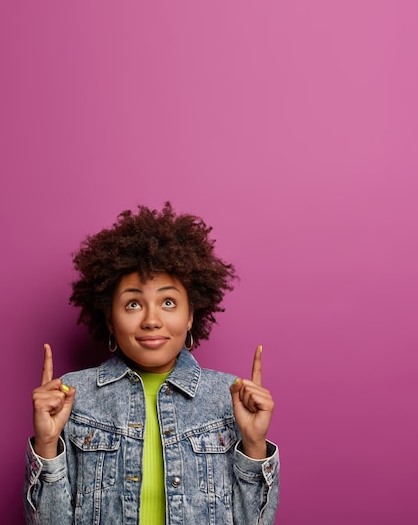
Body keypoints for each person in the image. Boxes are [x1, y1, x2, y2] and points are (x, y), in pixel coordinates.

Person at [23, 203, 280, 524]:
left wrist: (254, 445)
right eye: (133, 304)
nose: (151, 320)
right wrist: (46, 445)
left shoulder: (230, 397)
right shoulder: (72, 396)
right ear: (110, 319)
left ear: (190, 316)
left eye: (168, 302)